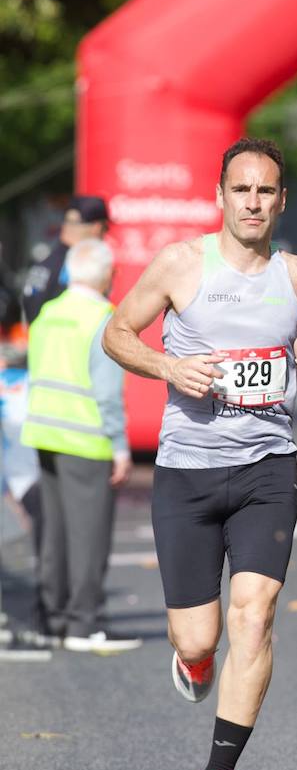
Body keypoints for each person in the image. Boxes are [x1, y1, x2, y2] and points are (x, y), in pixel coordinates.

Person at [103, 137, 297, 770]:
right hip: (187, 473)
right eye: (242, 190)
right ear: (220, 196)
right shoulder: (180, 263)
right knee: (199, 636)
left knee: (254, 616)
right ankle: (193, 662)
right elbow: (116, 332)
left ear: (282, 200)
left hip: (267, 469)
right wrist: (170, 368)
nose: (253, 202)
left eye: (266, 191)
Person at [21, 238, 136, 652]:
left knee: (53, 531)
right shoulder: (103, 317)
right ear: (105, 273)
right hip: (85, 437)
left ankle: (52, 620)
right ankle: (84, 624)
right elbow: (106, 393)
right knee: (88, 535)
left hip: (44, 433)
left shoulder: (50, 313)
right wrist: (120, 447)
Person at [22, 195, 108, 325]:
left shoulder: (47, 263)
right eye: (105, 229)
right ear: (97, 228)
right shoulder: (78, 265)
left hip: (40, 340)